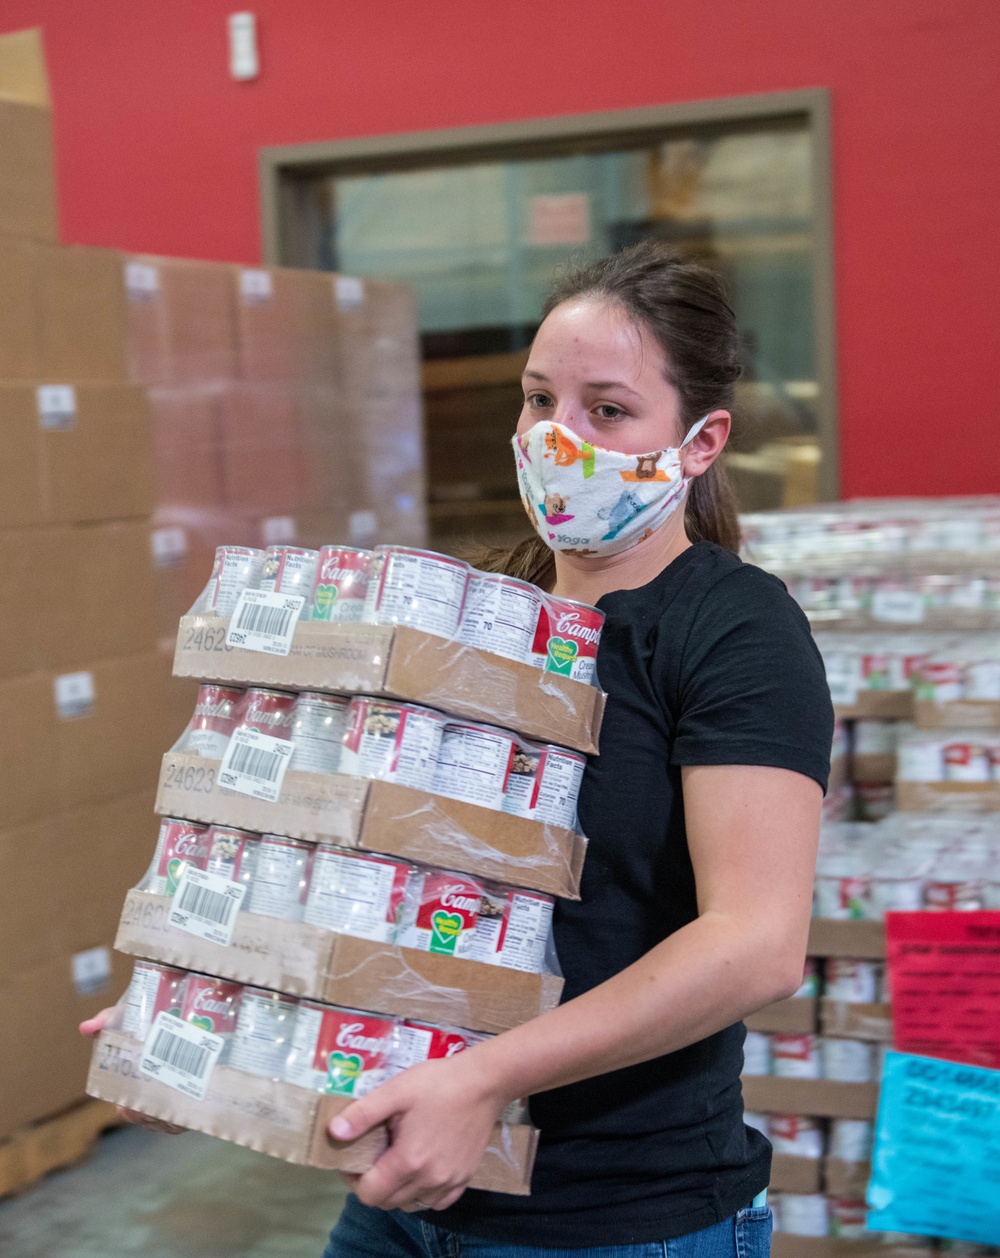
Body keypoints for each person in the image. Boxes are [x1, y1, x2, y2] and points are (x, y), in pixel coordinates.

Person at [84, 241, 834, 1258]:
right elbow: (373, 867)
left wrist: (485, 1075)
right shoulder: (485, 618)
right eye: (538, 401)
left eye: (606, 411)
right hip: (407, 1191)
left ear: (700, 441)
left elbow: (755, 941)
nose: (555, 439)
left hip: (613, 1215)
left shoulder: (730, 628)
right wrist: (208, 1023)